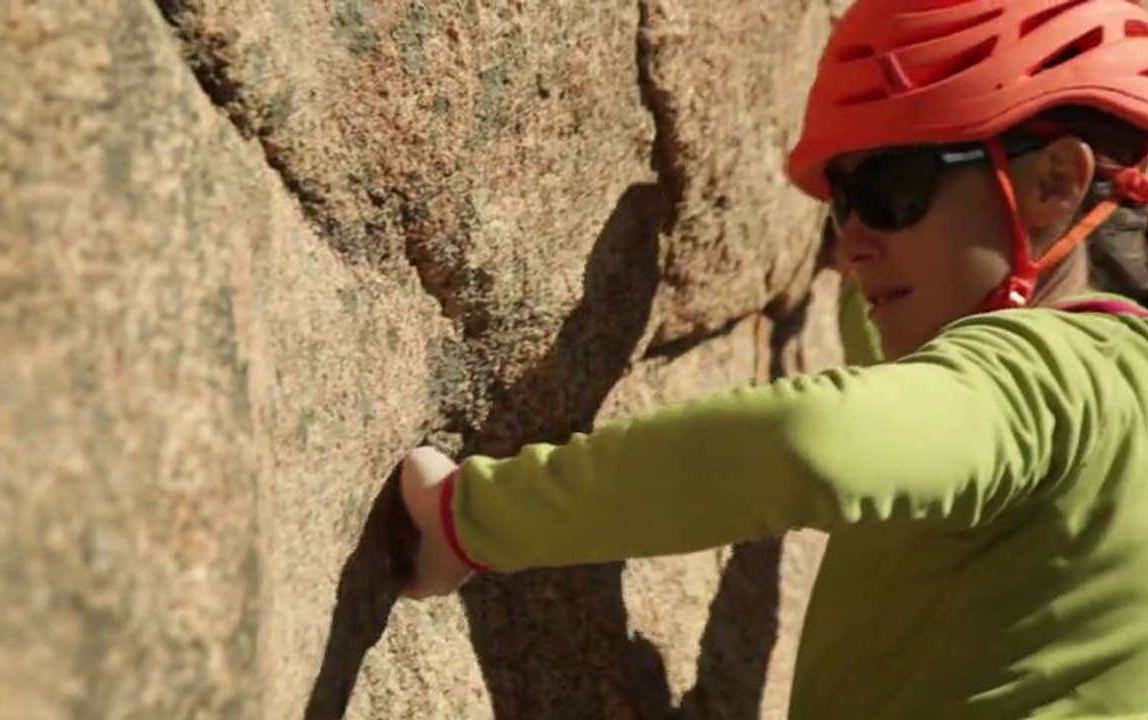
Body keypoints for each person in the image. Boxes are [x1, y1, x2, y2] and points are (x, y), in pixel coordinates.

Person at [396, 1, 1148, 716]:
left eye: (892, 191)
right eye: (841, 205)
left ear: (1054, 182)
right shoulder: (1117, 391)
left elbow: (812, 445)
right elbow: (912, 394)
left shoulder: (1052, 381)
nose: (852, 247)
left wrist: (479, 518)